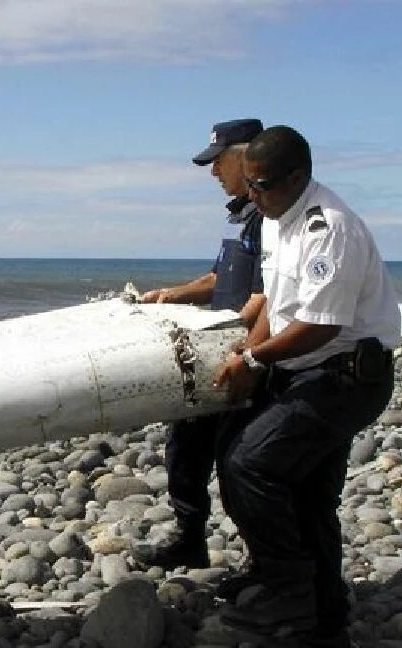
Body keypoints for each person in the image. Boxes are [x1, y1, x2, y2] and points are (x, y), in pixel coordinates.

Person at [213, 125, 400, 648]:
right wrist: (251, 356)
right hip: (306, 371)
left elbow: (320, 324)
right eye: (248, 185)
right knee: (307, 494)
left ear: (299, 178)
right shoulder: (277, 218)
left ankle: (287, 592)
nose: (252, 196)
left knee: (251, 465)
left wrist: (251, 359)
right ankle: (323, 627)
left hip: (345, 377)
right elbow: (276, 300)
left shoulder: (329, 229)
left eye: (263, 185)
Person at [135, 118, 266, 573]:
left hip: (246, 354)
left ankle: (262, 562)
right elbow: (219, 280)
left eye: (218, 162)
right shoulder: (239, 217)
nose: (213, 173)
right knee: (185, 445)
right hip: (219, 347)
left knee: (239, 463)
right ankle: (189, 537)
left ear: (247, 159)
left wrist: (238, 348)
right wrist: (169, 295)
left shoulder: (270, 219)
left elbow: (265, 298)